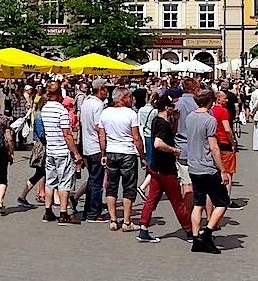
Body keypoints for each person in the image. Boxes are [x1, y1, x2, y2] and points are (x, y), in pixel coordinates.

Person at [137, 95, 189, 243]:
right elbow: (158, 143)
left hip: (156, 168)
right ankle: (189, 230)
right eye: (171, 107)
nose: (173, 109)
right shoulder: (163, 124)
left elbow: (169, 135)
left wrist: (177, 120)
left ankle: (143, 228)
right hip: (166, 169)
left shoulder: (157, 121)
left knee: (151, 199)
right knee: (177, 201)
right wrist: (173, 150)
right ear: (167, 108)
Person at [184, 88, 228, 253]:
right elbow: (214, 147)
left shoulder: (189, 117)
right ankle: (207, 233)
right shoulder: (209, 120)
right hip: (207, 167)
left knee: (198, 203)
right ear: (210, 101)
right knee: (223, 202)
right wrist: (222, 169)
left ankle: (195, 239)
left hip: (193, 166)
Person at [98, 86, 145, 231]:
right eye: (129, 97)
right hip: (127, 153)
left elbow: (101, 135)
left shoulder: (105, 113)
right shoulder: (130, 114)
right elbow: (136, 138)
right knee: (128, 187)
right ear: (123, 98)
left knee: (111, 187)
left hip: (112, 152)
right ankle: (126, 221)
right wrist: (142, 155)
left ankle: (113, 220)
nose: (131, 99)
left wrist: (104, 153)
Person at [39, 82, 81, 224]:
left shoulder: (44, 109)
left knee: (50, 181)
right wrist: (76, 153)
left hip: (50, 149)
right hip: (62, 150)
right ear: (58, 94)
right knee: (64, 182)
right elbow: (67, 134)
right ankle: (63, 213)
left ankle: (48, 211)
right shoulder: (61, 110)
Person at [78, 79, 109, 221]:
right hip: (96, 147)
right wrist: (104, 150)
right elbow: (99, 127)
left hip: (86, 146)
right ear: (100, 89)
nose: (107, 92)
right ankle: (94, 213)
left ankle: (88, 210)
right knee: (97, 182)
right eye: (106, 89)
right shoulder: (98, 105)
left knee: (92, 179)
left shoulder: (86, 102)